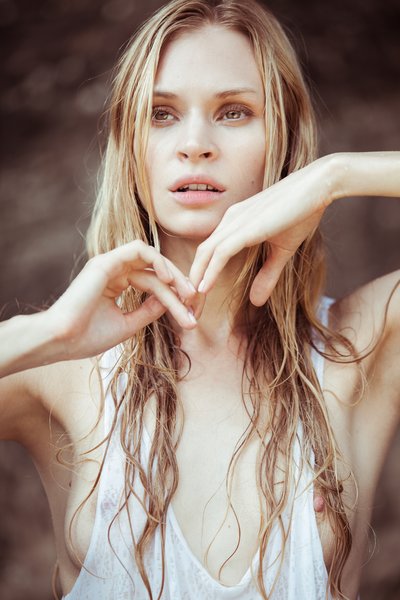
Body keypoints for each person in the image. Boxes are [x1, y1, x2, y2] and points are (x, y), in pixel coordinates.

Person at [0, 0, 399, 598]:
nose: (194, 144)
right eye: (161, 114)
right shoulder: (58, 368)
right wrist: (47, 334)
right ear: (130, 145)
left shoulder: (359, 349)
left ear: (282, 139)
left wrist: (335, 176)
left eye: (234, 112)